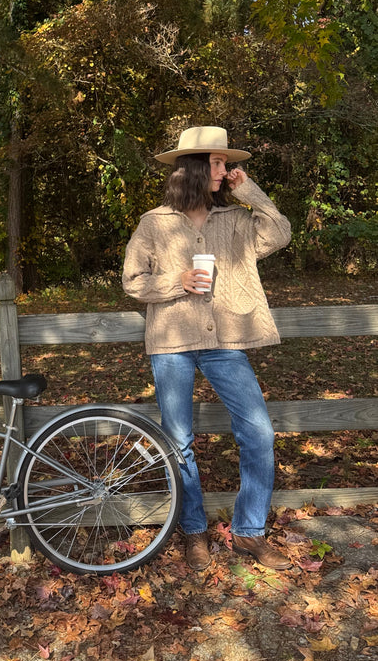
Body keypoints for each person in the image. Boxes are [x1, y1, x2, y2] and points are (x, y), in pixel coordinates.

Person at [122, 125, 292, 572]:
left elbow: (280, 233)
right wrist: (174, 282)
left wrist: (249, 190)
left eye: (225, 163)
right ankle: (194, 530)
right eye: (218, 163)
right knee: (179, 442)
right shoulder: (153, 223)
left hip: (225, 344)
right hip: (172, 344)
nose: (225, 170)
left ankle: (250, 533)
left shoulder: (235, 220)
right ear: (195, 168)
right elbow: (132, 281)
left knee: (258, 434)